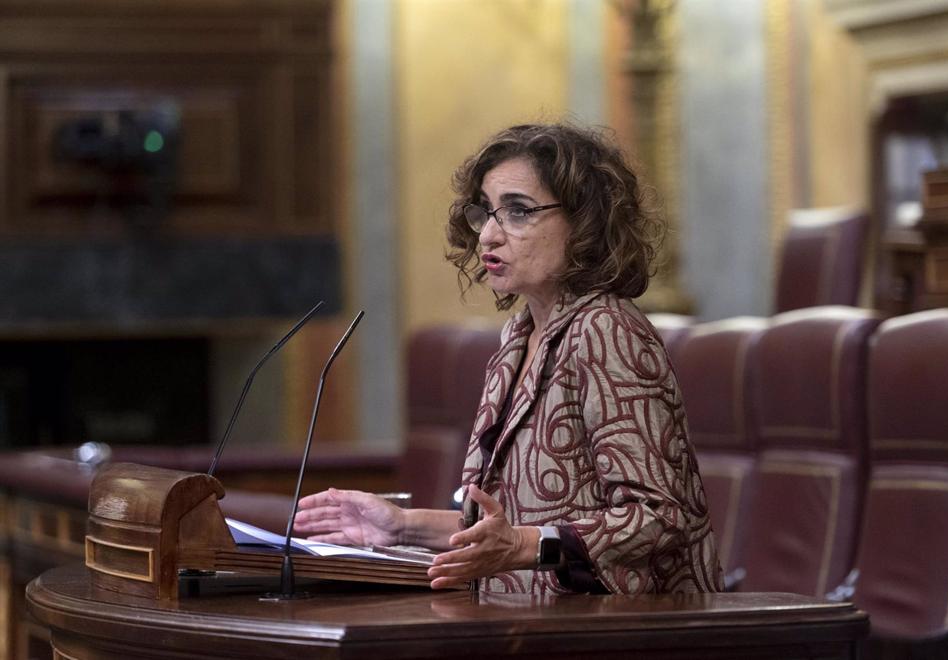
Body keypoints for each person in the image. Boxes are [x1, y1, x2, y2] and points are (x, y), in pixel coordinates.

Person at [294, 123, 722, 595]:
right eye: (486, 212)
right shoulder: (518, 338)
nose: (489, 236)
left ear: (586, 221)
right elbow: (513, 524)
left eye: (517, 211)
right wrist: (401, 527)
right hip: (524, 629)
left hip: (623, 632)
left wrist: (522, 544)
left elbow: (661, 515)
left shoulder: (608, 329)